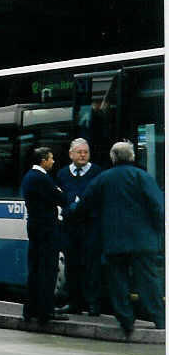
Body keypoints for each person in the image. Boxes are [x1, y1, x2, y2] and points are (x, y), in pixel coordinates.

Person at [67, 141, 164, 339]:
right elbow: (157, 206)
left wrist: (70, 214)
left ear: (113, 158)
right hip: (143, 240)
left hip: (114, 240)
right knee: (148, 280)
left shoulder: (103, 178)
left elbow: (84, 205)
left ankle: (126, 320)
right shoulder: (143, 177)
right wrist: (158, 231)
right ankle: (159, 318)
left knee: (118, 281)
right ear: (132, 157)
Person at [54, 138, 103, 315]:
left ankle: (93, 303)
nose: (83, 155)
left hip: (90, 226)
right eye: (79, 152)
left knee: (91, 265)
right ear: (71, 154)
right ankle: (75, 302)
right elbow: (59, 197)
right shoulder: (62, 174)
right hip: (70, 227)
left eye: (86, 152)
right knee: (72, 264)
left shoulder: (97, 172)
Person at [21, 147, 69, 325]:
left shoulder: (29, 177)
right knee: (48, 270)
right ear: (43, 160)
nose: (53, 161)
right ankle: (46, 311)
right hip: (47, 229)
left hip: (35, 227)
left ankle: (31, 310)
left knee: (35, 269)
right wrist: (59, 192)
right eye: (51, 158)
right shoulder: (42, 178)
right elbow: (62, 198)